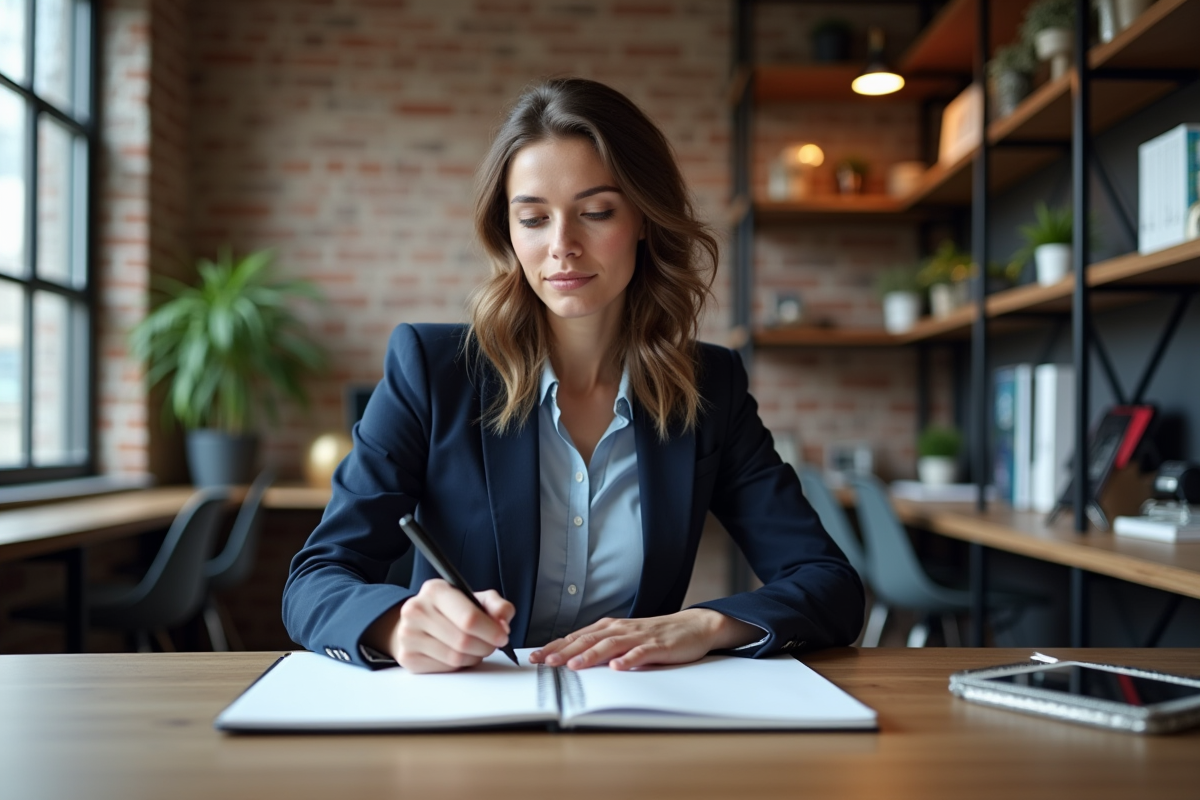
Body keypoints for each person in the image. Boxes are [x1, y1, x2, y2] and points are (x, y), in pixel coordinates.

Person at [282, 78, 864, 674]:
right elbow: (316, 580)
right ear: (508, 232)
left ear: (644, 217)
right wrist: (396, 624)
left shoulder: (710, 387)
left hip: (636, 709)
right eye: (533, 218)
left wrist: (705, 624)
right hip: (472, 711)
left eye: (596, 212)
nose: (562, 246)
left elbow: (829, 583)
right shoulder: (431, 371)